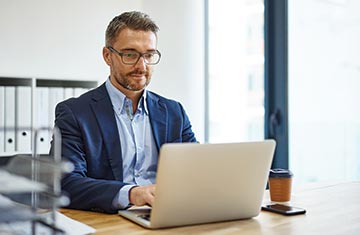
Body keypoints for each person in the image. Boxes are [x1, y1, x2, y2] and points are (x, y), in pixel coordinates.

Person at [53, 11, 197, 214]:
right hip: (110, 220)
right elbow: (67, 183)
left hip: (168, 214)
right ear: (107, 56)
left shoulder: (174, 112)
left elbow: (197, 171)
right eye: (130, 54)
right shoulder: (74, 113)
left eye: (149, 55)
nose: (142, 66)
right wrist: (131, 193)